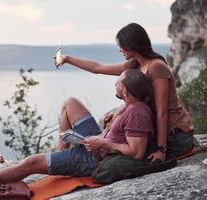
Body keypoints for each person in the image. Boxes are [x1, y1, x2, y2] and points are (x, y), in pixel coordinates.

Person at [0, 69, 153, 189]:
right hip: (95, 143)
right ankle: (62, 150)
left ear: (125, 91)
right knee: (70, 102)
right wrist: (115, 114)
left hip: (94, 158)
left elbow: (137, 152)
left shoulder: (137, 112)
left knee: (30, 163)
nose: (115, 84)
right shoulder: (130, 106)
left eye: (118, 83)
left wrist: (104, 142)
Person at [54, 22, 194, 161]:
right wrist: (67, 59)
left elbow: (161, 112)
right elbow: (98, 68)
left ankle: (79, 159)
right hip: (155, 131)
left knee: (114, 145)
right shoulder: (135, 64)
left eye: (122, 46)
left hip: (174, 137)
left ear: (132, 45)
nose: (120, 50)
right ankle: (62, 153)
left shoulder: (156, 67)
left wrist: (161, 150)